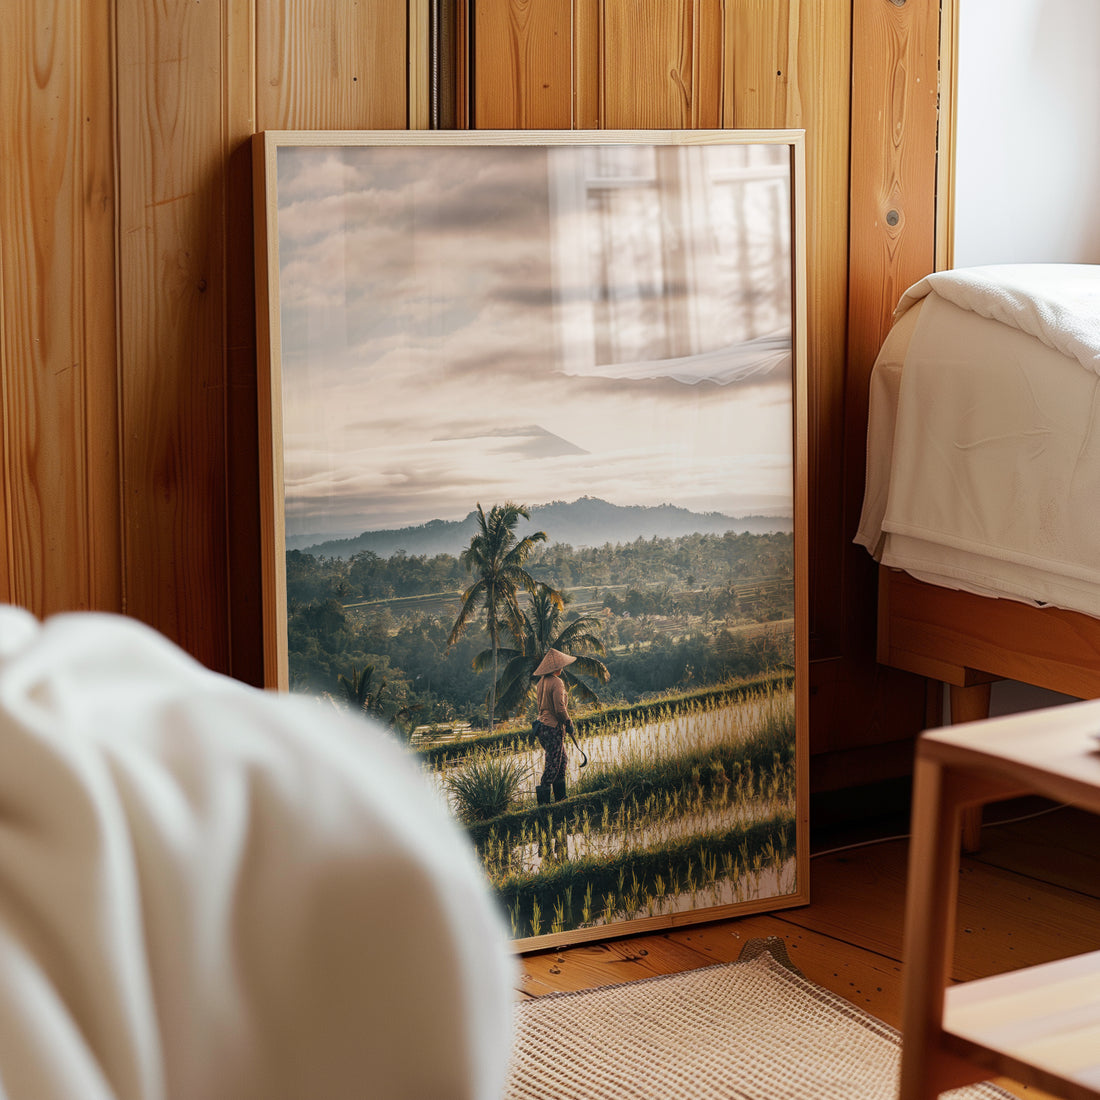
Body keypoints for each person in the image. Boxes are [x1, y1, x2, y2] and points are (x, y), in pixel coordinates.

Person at [532, 647, 576, 804]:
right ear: (556, 668)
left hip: (542, 728)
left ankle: (561, 798)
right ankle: (543, 804)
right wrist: (568, 722)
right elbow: (559, 708)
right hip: (553, 728)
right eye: (561, 666)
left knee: (561, 760)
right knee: (553, 764)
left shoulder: (541, 682)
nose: (562, 668)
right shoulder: (557, 682)